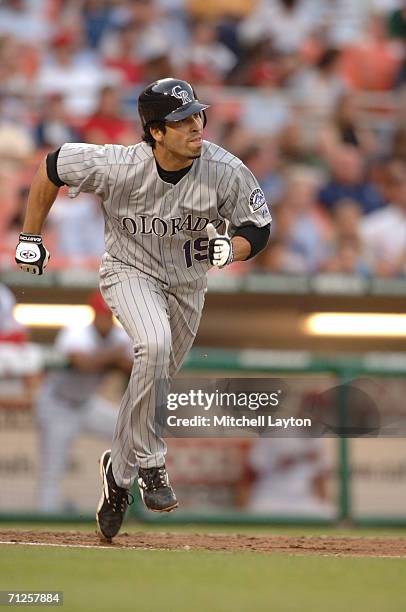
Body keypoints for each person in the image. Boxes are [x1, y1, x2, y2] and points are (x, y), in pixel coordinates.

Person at [15, 77, 271, 539]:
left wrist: (231, 250)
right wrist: (31, 237)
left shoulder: (225, 168)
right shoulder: (119, 164)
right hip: (129, 271)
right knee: (152, 347)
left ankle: (118, 475)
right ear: (155, 131)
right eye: (182, 119)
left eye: (197, 114)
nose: (196, 125)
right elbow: (51, 166)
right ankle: (151, 461)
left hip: (188, 285)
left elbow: (258, 228)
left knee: (152, 383)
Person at [36, 290, 133, 512]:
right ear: (94, 314)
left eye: (109, 315)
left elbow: (132, 365)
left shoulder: (119, 337)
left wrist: (114, 358)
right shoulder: (76, 332)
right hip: (58, 405)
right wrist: (112, 357)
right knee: (53, 469)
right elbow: (82, 363)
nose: (105, 320)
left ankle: (125, 503)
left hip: (87, 404)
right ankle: (45, 522)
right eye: (101, 314)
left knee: (129, 430)